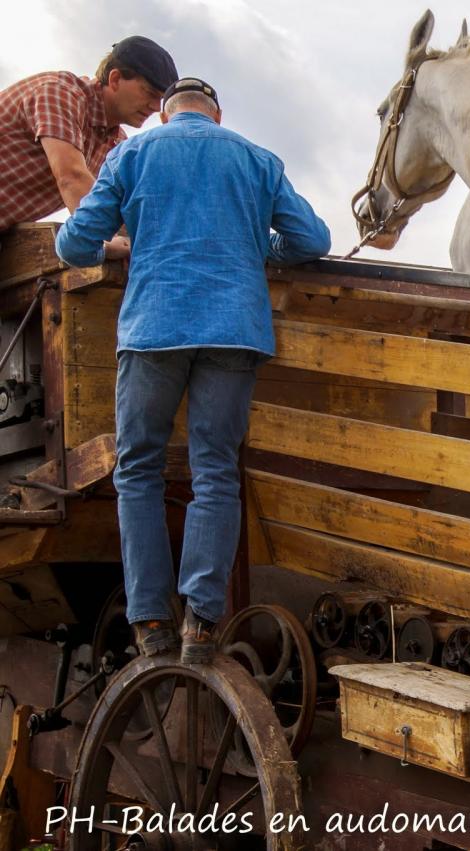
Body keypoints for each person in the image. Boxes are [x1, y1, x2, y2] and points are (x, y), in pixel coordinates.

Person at [54, 78, 330, 663]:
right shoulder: (256, 159)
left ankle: (151, 621)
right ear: (218, 115)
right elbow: (313, 240)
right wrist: (258, 247)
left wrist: (130, 245)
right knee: (215, 472)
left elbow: (74, 246)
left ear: (163, 115)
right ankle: (201, 624)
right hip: (234, 330)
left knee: (139, 471)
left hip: (154, 328)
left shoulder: (134, 153)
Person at [0, 36, 177, 254]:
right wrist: (101, 241)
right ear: (115, 79)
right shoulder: (59, 93)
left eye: (161, 99)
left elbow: (121, 210)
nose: (154, 107)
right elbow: (71, 177)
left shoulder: (115, 144)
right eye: (149, 93)